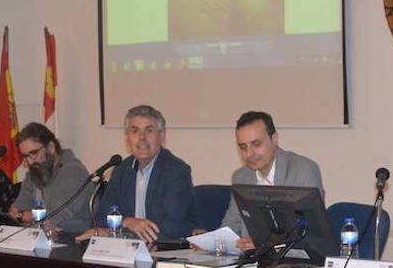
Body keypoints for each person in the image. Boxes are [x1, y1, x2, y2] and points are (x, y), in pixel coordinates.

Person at [80, 105, 194, 245]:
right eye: (134, 131)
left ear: (162, 136)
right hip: (127, 250)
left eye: (149, 130)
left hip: (166, 250)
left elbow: (168, 229)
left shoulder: (177, 171)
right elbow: (102, 218)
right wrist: (127, 222)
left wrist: (116, 233)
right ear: (127, 138)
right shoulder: (121, 170)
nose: (142, 137)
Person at [219, 111, 325, 251]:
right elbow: (231, 225)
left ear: (274, 139)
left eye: (256, 144)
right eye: (243, 147)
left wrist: (266, 244)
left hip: (292, 263)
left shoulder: (303, 170)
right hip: (251, 263)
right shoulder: (241, 176)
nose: (249, 154)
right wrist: (210, 241)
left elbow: (310, 231)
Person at [9, 122, 94, 237]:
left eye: (33, 153)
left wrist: (24, 215)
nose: (29, 161)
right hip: (43, 239)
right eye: (25, 156)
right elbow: (14, 212)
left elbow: (52, 217)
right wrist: (25, 215)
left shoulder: (73, 171)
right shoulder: (34, 172)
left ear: (50, 147)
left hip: (74, 240)